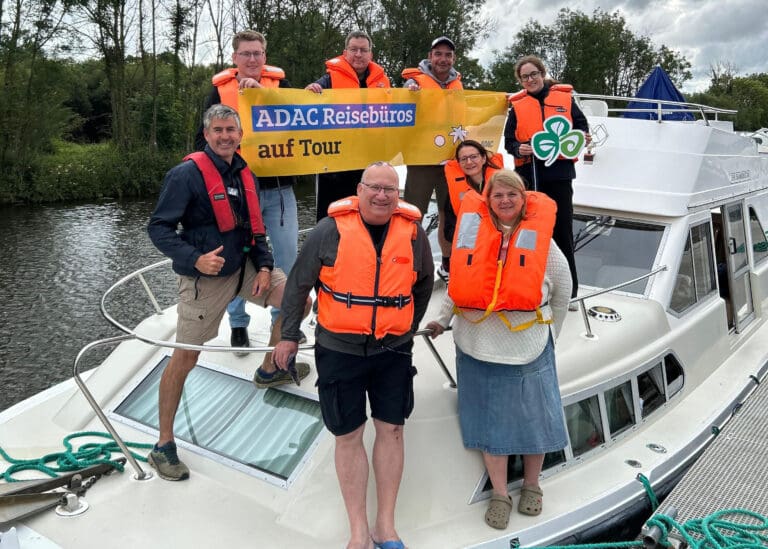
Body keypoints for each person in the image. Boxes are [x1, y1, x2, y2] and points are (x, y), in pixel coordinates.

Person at [272, 162, 434, 549]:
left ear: (399, 196)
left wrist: (407, 326)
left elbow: (425, 283)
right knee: (348, 434)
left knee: (391, 430)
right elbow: (297, 285)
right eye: (374, 187)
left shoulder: (412, 233)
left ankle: (385, 526)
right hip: (339, 349)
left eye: (390, 190)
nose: (382, 196)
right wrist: (288, 336)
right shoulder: (329, 231)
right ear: (358, 190)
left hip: (393, 349)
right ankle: (358, 531)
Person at [147, 104, 309, 481]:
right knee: (185, 358)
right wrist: (195, 259)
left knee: (298, 299)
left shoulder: (243, 170)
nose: (224, 136)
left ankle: (270, 369)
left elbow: (256, 230)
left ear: (240, 135)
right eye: (217, 130)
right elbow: (158, 228)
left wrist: (267, 267)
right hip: (207, 276)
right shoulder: (185, 175)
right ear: (206, 135)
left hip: (248, 266)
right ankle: (163, 445)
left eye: (230, 131)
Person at [426, 169, 571, 529]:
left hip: (528, 344)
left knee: (533, 419)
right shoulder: (471, 235)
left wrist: (553, 333)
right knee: (489, 423)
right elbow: (458, 284)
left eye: (512, 195)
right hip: (475, 344)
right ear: (487, 200)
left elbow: (563, 289)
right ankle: (500, 492)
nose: (505, 201)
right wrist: (442, 320)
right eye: (497, 196)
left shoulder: (543, 244)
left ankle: (533, 485)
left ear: (524, 200)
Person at [194, 30, 301, 352]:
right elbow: (202, 141)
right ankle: (238, 324)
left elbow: (305, 124)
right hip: (236, 191)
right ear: (234, 58)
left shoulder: (281, 86)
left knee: (286, 259)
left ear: (265, 57)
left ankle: (283, 326)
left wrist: (265, 98)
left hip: (279, 190)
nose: (252, 59)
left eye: (257, 54)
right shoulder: (217, 92)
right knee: (235, 256)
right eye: (246, 54)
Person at [504, 55, 590, 309]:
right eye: (524, 77)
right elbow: (510, 141)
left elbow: (582, 126)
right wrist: (520, 149)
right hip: (529, 177)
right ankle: (532, 287)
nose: (530, 80)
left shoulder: (565, 99)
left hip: (559, 176)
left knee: (562, 232)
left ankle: (570, 291)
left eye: (533, 74)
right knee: (529, 233)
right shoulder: (517, 106)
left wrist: (583, 135)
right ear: (520, 80)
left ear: (542, 73)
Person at [305, 31, 391, 222]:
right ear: (345, 53)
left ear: (371, 55)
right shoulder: (328, 80)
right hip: (335, 163)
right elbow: (307, 101)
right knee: (329, 216)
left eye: (363, 50)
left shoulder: (383, 83)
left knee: (365, 214)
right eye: (353, 49)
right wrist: (310, 91)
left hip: (368, 161)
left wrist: (413, 94)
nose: (358, 54)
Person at [401, 36, 463, 281]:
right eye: (439, 54)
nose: (443, 59)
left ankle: (447, 265)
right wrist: (410, 94)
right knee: (414, 213)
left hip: (450, 161)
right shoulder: (414, 82)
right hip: (422, 159)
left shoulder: (458, 84)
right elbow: (401, 105)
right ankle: (409, 264)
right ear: (430, 56)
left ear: (453, 59)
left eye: (448, 55)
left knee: (450, 214)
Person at [441, 139, 503, 274]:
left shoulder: (505, 183)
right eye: (463, 159)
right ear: (459, 163)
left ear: (484, 158)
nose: (469, 162)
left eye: (473, 157)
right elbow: (449, 231)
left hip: (502, 247)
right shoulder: (454, 193)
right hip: (472, 251)